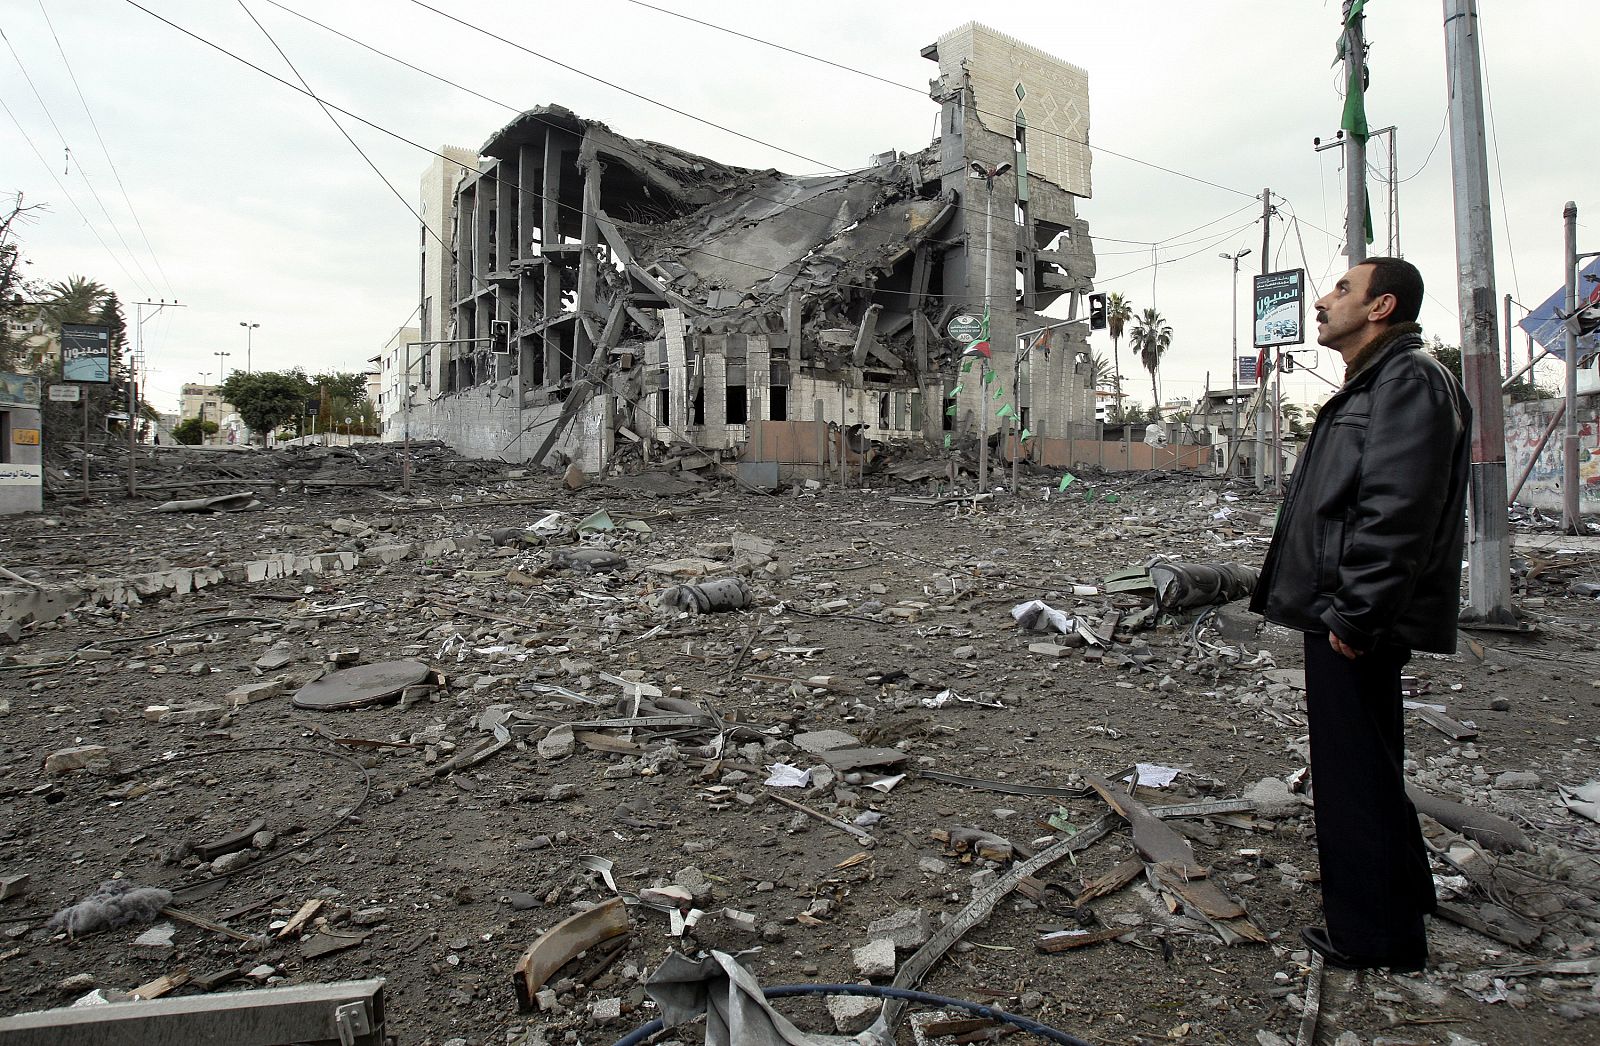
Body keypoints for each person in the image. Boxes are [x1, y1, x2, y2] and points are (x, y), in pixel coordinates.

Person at [1250, 257, 1470, 972]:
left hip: (1352, 613)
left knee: (1350, 773)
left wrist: (1356, 613)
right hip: (1348, 607)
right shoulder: (1384, 379)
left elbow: (1399, 508)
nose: (1322, 301)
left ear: (1381, 307)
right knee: (1370, 759)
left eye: (1342, 289)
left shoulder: (1406, 381)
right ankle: (1405, 891)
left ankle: (1375, 935)